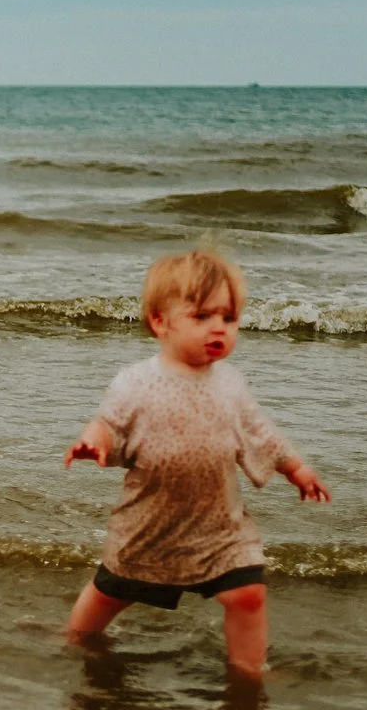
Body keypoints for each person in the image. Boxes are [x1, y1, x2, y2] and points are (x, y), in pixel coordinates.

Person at [63, 248, 329, 679]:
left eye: (229, 318)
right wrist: (92, 442)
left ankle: (248, 671)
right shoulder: (136, 382)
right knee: (112, 590)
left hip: (219, 524)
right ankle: (76, 637)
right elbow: (108, 422)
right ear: (160, 322)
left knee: (248, 594)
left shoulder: (231, 385)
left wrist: (295, 468)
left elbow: (259, 431)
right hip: (151, 523)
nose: (218, 328)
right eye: (202, 316)